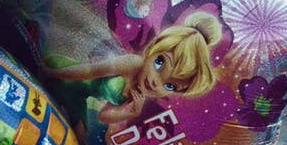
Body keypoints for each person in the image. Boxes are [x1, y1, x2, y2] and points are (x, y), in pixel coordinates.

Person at [46, 11, 222, 124]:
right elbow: (90, 71)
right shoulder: (133, 64)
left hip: (79, 98)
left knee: (79, 139)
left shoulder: (139, 94)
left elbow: (103, 116)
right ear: (154, 48)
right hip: (68, 77)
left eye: (171, 86)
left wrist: (130, 113)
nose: (156, 83)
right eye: (159, 63)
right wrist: (52, 73)